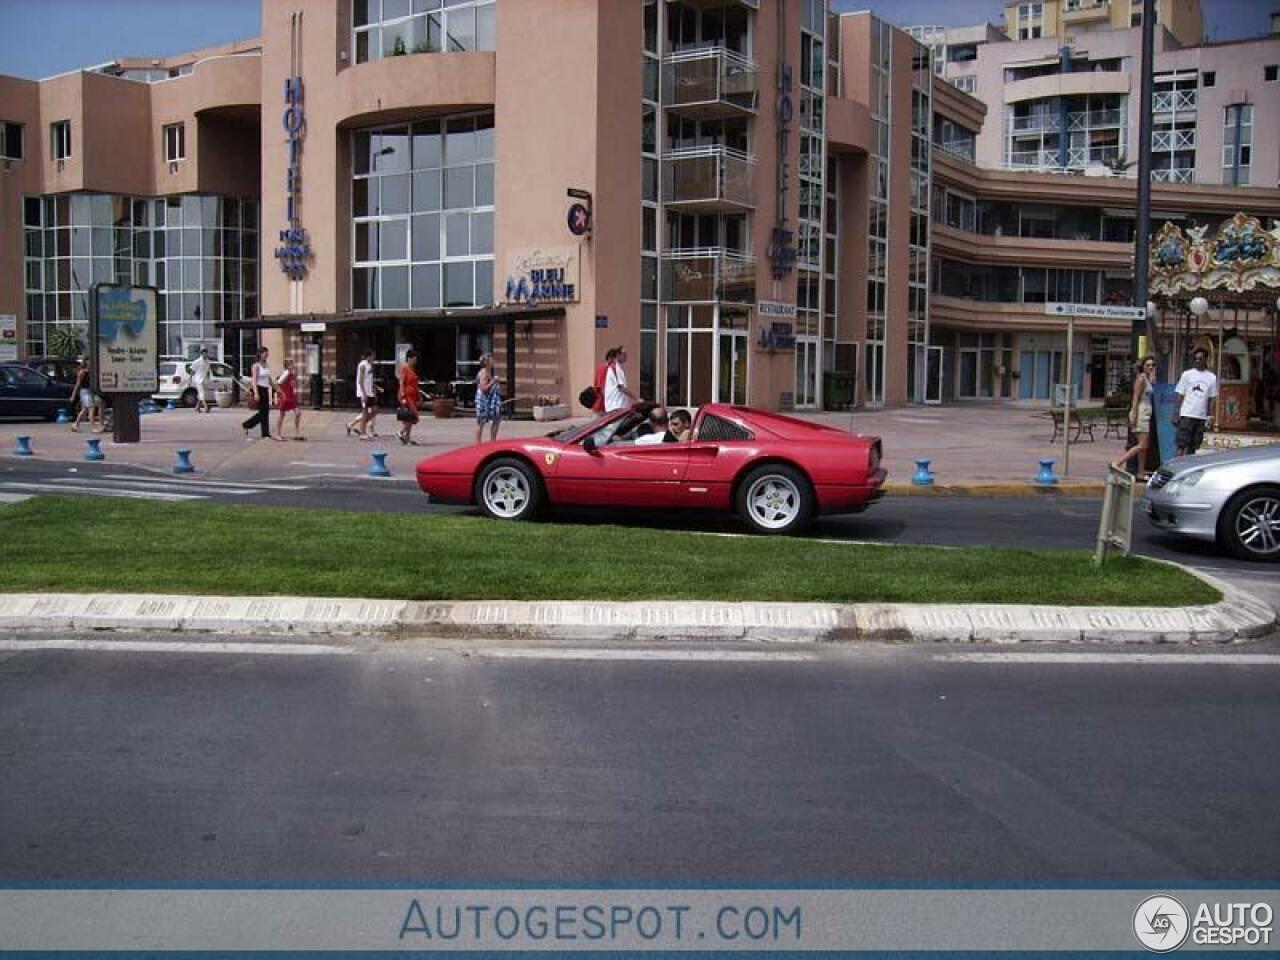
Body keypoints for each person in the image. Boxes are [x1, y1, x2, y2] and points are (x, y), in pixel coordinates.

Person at [1112, 357, 1156, 473]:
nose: (1151, 367)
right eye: (1148, 365)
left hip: (1147, 413)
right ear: (1143, 366)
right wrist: (1134, 414)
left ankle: (1141, 472)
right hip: (1141, 414)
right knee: (1142, 445)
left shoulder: (1148, 379)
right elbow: (1135, 398)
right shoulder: (1141, 379)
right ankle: (1118, 462)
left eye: (1152, 365)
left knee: (1144, 448)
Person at [1172, 347, 1218, 457]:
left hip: (1200, 417)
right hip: (1187, 414)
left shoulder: (1212, 377)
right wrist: (1176, 412)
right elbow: (1180, 394)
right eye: (1196, 359)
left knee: (1194, 445)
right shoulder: (1187, 374)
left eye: (1200, 359)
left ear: (1206, 359)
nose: (1198, 361)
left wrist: (1210, 416)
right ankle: (1177, 465)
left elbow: (1212, 398)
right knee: (1181, 444)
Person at [241, 347, 274, 439]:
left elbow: (269, 378)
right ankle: (265, 433)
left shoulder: (266, 364)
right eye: (265, 353)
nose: (267, 355)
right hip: (259, 388)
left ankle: (247, 424)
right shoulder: (256, 366)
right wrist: (256, 393)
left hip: (265, 389)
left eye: (267, 353)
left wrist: (275, 386)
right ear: (260, 354)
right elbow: (254, 380)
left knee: (265, 412)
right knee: (263, 411)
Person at [346, 350, 379, 440]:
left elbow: (370, 379)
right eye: (372, 356)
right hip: (363, 392)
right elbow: (360, 380)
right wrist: (363, 394)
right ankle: (363, 433)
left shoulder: (370, 365)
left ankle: (361, 427)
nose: (374, 358)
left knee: (375, 410)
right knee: (364, 412)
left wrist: (374, 388)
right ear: (368, 356)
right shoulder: (363, 365)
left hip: (370, 392)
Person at [475, 353, 502, 443]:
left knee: (496, 420)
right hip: (484, 401)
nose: (493, 361)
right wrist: (493, 381)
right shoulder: (484, 373)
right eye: (491, 360)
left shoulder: (489, 372)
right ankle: (478, 443)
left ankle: (492, 441)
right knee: (481, 423)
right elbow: (483, 388)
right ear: (486, 362)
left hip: (490, 401)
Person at [274, 357, 303, 441]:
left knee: (298, 413)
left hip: (292, 397)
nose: (293, 365)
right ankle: (278, 434)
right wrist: (282, 393)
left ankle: (297, 433)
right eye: (291, 363)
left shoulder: (292, 374)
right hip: (285, 397)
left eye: (292, 363)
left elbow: (293, 386)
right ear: (287, 365)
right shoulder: (286, 373)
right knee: (282, 415)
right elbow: (277, 383)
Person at [604, 344, 640, 412]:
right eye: (624, 354)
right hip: (615, 406)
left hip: (618, 406)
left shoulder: (619, 368)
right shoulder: (615, 368)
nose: (626, 356)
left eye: (626, 354)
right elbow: (621, 388)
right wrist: (637, 399)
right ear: (618, 355)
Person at [69, 357, 100, 433]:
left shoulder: (92, 371)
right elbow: (77, 384)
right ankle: (93, 427)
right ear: (85, 362)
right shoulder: (82, 372)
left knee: (85, 410)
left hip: (91, 391)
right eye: (89, 361)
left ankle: (75, 424)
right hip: (84, 392)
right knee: (91, 408)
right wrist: (73, 395)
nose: (90, 363)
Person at [397, 349, 422, 446]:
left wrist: (419, 396)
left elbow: (416, 385)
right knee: (413, 416)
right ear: (409, 358)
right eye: (414, 359)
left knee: (409, 418)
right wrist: (402, 395)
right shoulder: (404, 368)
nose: (415, 361)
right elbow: (402, 382)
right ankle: (401, 432)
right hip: (407, 395)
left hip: (413, 395)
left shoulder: (412, 369)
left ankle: (407, 438)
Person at [592, 348, 616, 414]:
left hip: (605, 407)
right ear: (610, 358)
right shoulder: (604, 368)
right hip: (602, 407)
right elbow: (602, 388)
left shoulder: (609, 369)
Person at [190, 347, 212, 413]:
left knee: (201, 394)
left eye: (206, 353)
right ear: (201, 354)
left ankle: (197, 407)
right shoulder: (197, 361)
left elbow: (207, 371)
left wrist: (208, 378)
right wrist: (190, 380)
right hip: (198, 380)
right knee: (202, 394)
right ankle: (206, 407)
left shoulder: (208, 362)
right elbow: (192, 371)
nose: (205, 354)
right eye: (204, 353)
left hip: (204, 380)